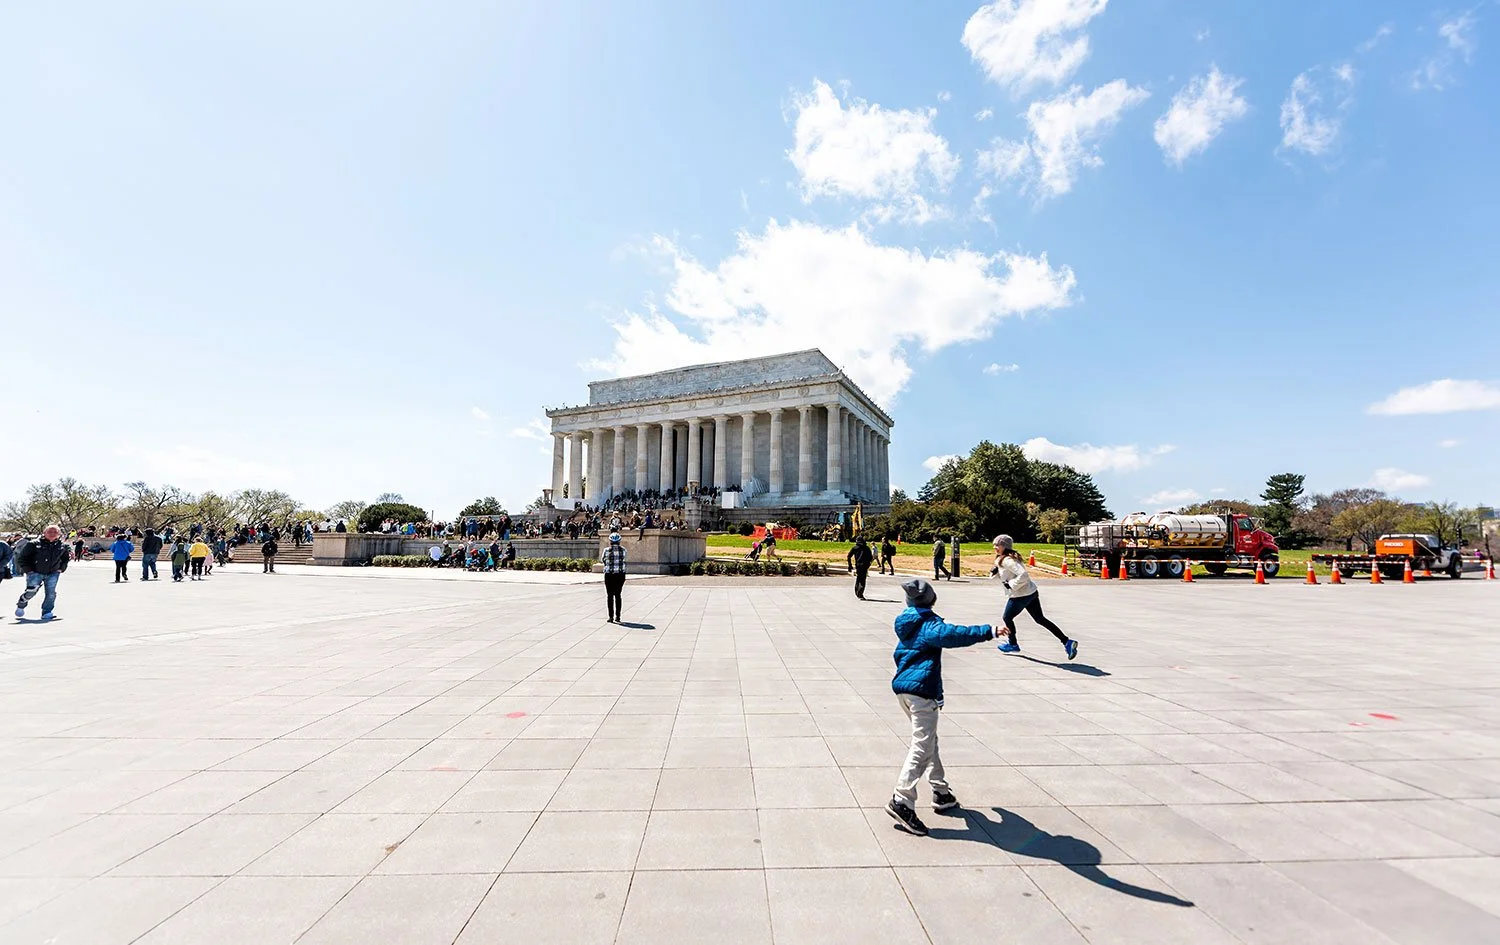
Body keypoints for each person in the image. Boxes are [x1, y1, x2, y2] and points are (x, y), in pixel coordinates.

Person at [886, 577, 993, 837]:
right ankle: (902, 798)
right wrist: (989, 630)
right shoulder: (929, 626)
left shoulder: (907, 622)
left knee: (929, 741)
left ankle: (941, 792)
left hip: (905, 691)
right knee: (921, 746)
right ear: (932, 600)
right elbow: (956, 634)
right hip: (922, 693)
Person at [991, 534, 1077, 660]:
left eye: (997, 545)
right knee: (1040, 619)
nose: (995, 547)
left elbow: (1023, 575)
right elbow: (1008, 574)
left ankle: (1013, 644)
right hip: (1031, 593)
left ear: (1005, 546)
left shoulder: (1008, 560)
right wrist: (996, 572)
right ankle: (1067, 642)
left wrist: (1011, 585)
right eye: (994, 545)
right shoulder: (1006, 558)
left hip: (1020, 595)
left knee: (1007, 617)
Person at [15, 525, 69, 620]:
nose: (52, 534)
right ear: (44, 533)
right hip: (35, 572)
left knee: (51, 594)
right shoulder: (33, 544)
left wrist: (61, 569)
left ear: (59, 534)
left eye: (55, 532)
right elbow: (22, 558)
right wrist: (29, 571)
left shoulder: (62, 546)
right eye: (50, 532)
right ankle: (22, 603)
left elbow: (65, 559)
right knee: (31, 592)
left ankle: (47, 612)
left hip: (53, 573)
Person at [601, 532, 627, 623]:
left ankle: (610, 617)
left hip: (609, 575)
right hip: (620, 575)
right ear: (619, 541)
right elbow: (625, 559)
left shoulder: (606, 550)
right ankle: (618, 616)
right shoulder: (623, 550)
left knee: (610, 595)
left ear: (610, 541)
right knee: (618, 595)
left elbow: (602, 560)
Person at [846, 536, 873, 600]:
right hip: (865, 565)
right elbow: (871, 557)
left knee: (858, 578)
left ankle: (857, 591)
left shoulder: (855, 548)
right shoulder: (867, 548)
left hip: (858, 565)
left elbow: (849, 556)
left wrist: (850, 565)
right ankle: (860, 593)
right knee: (863, 579)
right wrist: (868, 564)